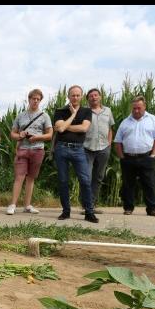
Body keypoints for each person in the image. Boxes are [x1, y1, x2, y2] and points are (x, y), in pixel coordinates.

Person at [113, 96, 155, 217]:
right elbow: (118, 141)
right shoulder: (125, 122)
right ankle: (128, 208)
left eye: (139, 108)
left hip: (146, 157)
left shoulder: (152, 119)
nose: (136, 110)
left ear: (144, 107)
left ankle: (152, 209)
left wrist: (153, 155)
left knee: (149, 184)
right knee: (128, 184)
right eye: (134, 108)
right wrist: (121, 157)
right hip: (128, 158)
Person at [52, 85, 97, 222]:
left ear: (81, 96)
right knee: (63, 181)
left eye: (78, 95)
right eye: (73, 95)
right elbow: (60, 130)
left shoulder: (87, 111)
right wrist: (73, 115)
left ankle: (89, 212)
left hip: (78, 149)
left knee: (85, 180)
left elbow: (84, 128)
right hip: (61, 148)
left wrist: (66, 126)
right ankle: (66, 211)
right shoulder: (60, 111)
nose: (75, 97)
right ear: (68, 96)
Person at [7, 88, 53, 215]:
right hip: (23, 149)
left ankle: (27, 205)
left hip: (38, 149)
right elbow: (12, 134)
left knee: (31, 178)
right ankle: (12, 205)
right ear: (29, 99)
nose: (36, 101)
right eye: (34, 99)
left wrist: (37, 137)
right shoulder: (20, 115)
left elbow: (49, 135)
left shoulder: (45, 116)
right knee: (19, 176)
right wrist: (20, 135)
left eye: (38, 99)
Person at [83, 88, 115, 214]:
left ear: (100, 97)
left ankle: (92, 205)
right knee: (87, 177)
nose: (94, 97)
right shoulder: (84, 111)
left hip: (104, 148)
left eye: (96, 95)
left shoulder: (108, 111)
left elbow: (110, 128)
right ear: (88, 99)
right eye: (91, 96)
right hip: (87, 147)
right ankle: (86, 204)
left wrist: (109, 144)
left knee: (98, 177)